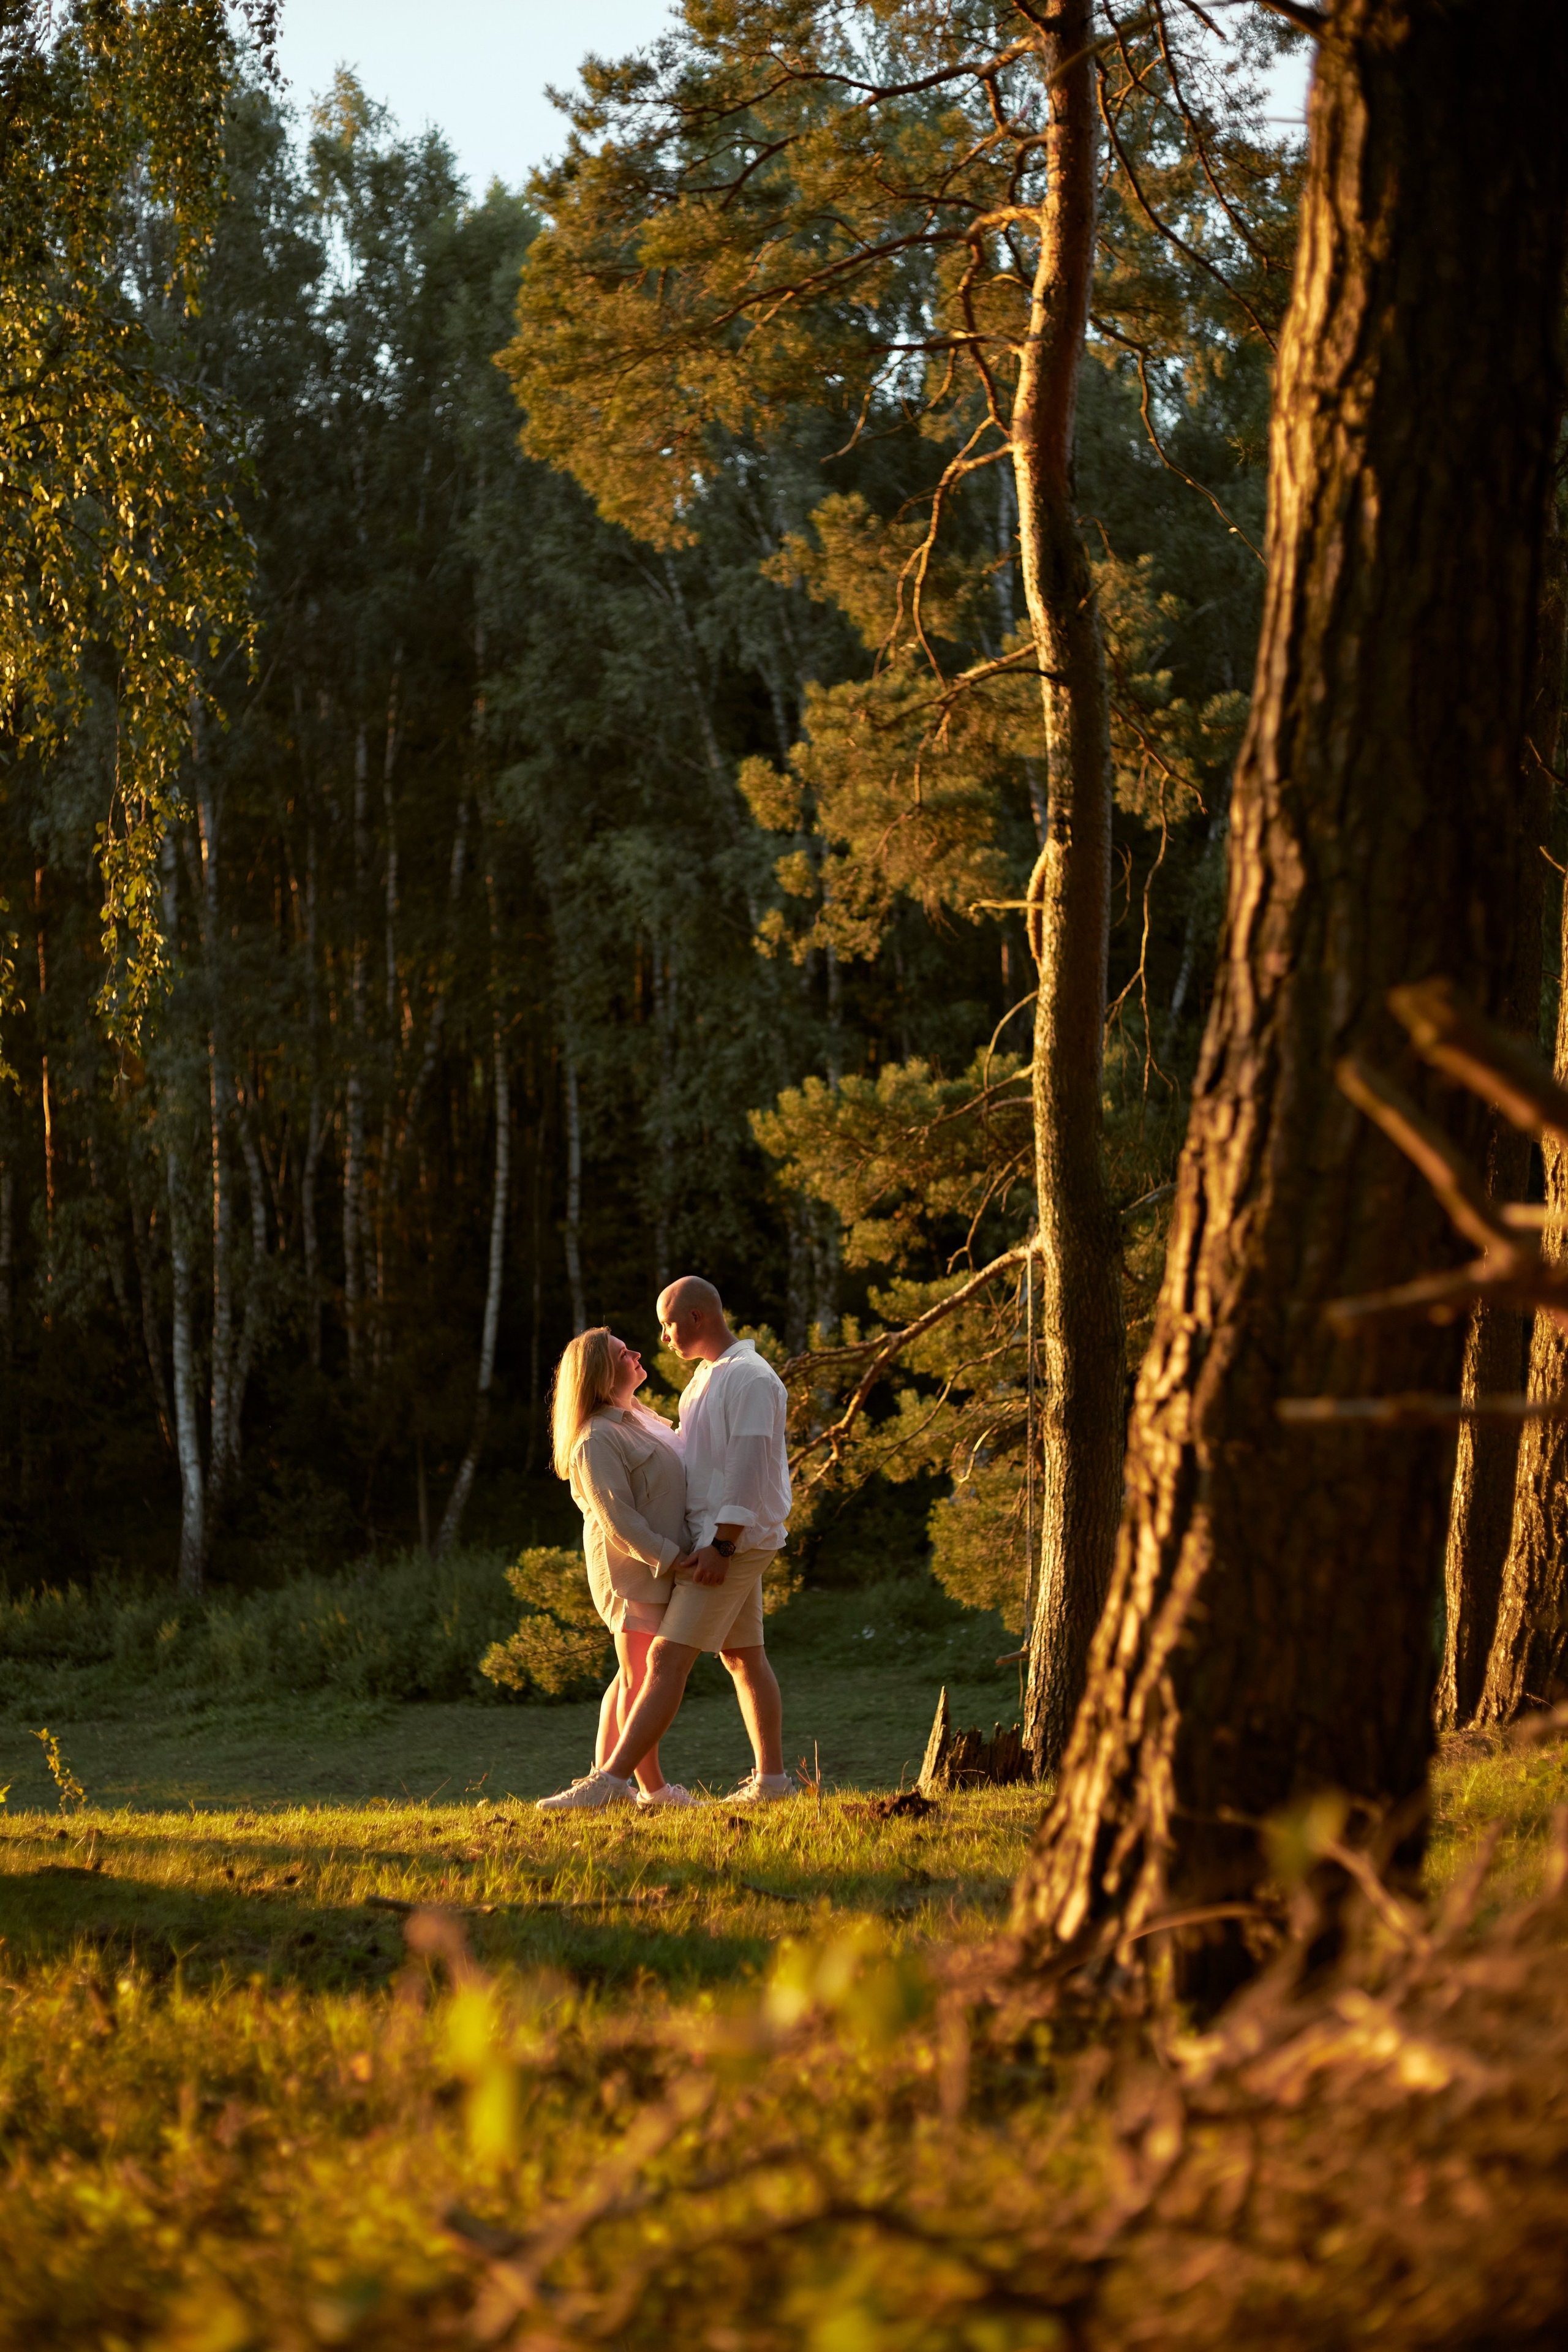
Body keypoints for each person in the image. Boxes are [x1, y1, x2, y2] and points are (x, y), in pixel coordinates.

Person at [538, 1275, 793, 1813]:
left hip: (728, 1546)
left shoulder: (749, 1379)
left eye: (667, 1323)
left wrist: (721, 1547)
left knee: (664, 1660)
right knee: (744, 1657)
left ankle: (611, 1784)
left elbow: (747, 1471)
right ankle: (772, 1783)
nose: (660, 1338)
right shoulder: (703, 1382)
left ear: (697, 1317)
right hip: (706, 1544)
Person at [541, 1325, 700, 1811]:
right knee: (642, 1681)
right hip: (631, 1572)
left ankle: (604, 1784)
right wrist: (675, 1559)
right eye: (620, 1353)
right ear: (599, 1373)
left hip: (660, 1568)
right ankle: (653, 1791)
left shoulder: (638, 1417)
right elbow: (619, 1521)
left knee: (629, 1678)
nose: (635, 1352)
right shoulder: (595, 1438)